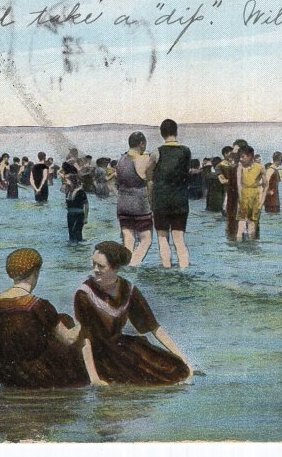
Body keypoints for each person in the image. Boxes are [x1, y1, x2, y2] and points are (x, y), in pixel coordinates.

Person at [74, 241, 192, 385]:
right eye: (93, 264)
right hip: (97, 354)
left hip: (120, 347)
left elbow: (153, 327)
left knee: (175, 368)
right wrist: (94, 378)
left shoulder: (127, 290)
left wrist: (182, 358)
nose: (95, 270)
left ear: (115, 267)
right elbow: (85, 337)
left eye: (101, 266)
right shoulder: (84, 294)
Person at [0, 248, 96, 388]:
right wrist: (83, 322)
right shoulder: (38, 305)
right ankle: (93, 378)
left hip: (6, 376)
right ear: (35, 273)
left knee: (60, 318)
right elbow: (69, 339)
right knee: (67, 321)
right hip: (37, 377)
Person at [148, 119, 191, 268]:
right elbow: (186, 174)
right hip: (180, 200)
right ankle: (184, 269)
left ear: (161, 133)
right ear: (176, 131)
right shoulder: (186, 151)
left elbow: (149, 176)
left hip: (161, 201)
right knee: (179, 239)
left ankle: (166, 268)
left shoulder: (157, 152)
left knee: (162, 237)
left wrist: (150, 202)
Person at [116, 131, 154, 266]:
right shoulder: (142, 158)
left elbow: (117, 182)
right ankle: (133, 264)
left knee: (128, 238)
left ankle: (125, 265)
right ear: (142, 143)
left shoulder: (121, 159)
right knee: (146, 239)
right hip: (139, 203)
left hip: (122, 202)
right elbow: (149, 180)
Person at [236, 146, 267, 241]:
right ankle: (238, 244)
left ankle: (252, 246)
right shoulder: (240, 166)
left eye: (243, 157)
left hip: (255, 196)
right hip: (244, 195)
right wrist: (241, 198)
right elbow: (239, 183)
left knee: (252, 223)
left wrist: (262, 202)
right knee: (241, 223)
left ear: (250, 156)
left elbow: (266, 185)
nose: (241, 159)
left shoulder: (260, 167)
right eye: (240, 157)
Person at [65, 174, 88, 242]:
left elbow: (86, 205)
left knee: (77, 232)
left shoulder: (81, 192)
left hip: (79, 214)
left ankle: (79, 249)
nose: (65, 181)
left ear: (72, 181)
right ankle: (73, 251)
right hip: (70, 214)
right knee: (71, 234)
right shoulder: (68, 191)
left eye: (67, 180)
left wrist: (86, 218)